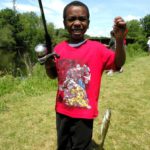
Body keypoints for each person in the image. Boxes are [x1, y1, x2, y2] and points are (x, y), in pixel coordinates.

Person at [45, 1, 127, 150]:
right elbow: (52, 76)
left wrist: (120, 40)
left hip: (84, 113)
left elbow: (119, 63)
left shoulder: (97, 49)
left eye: (82, 19)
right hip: (61, 111)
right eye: (71, 19)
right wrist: (48, 65)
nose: (77, 23)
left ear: (88, 23)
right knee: (63, 145)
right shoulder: (58, 48)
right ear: (64, 23)